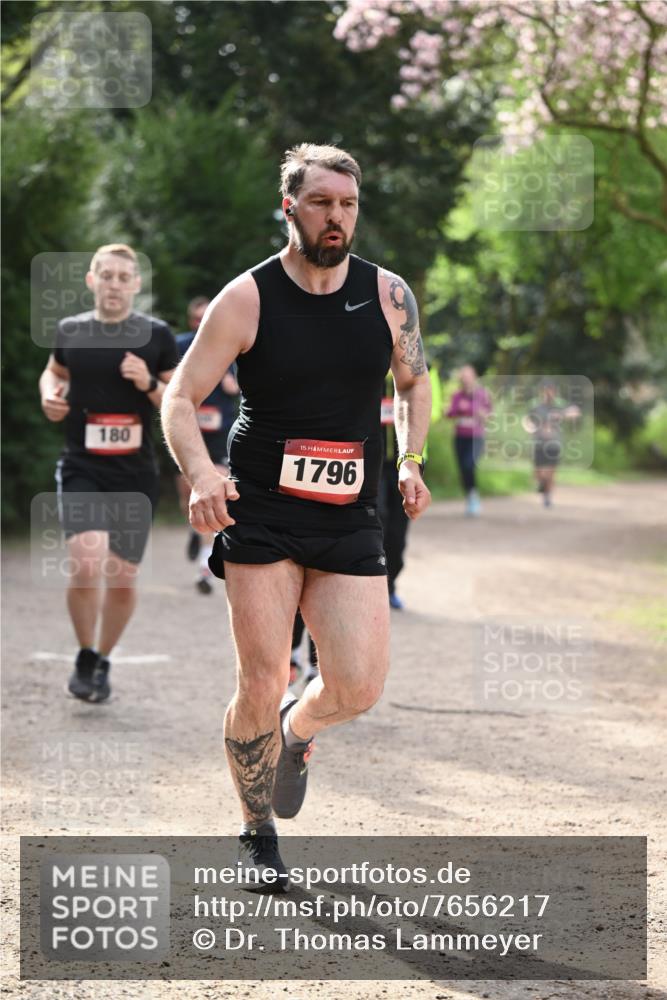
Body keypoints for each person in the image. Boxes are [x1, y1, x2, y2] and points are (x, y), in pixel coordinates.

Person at [162, 143, 431, 890]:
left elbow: (414, 382)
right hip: (263, 508)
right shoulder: (247, 298)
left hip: (349, 509)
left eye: (347, 204)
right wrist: (202, 472)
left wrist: (410, 459)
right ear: (290, 207)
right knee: (262, 675)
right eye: (321, 203)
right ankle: (256, 831)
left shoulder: (389, 295)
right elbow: (180, 396)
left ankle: (296, 730)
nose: (336, 217)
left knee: (357, 685)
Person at [39, 243, 179, 702]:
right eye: (107, 275)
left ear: (135, 284)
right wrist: (50, 395)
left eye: (123, 277)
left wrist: (148, 382)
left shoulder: (156, 336)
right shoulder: (71, 330)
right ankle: (84, 654)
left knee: (121, 578)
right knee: (86, 561)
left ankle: (102, 657)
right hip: (82, 466)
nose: (114, 284)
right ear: (92, 280)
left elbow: (178, 400)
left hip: (134, 475)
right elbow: (53, 372)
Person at [175, 296, 240, 594]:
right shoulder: (180, 345)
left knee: (212, 493)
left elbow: (242, 388)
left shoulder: (232, 344)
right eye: (197, 319)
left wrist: (230, 382)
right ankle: (195, 530)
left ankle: (205, 567)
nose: (202, 324)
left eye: (206, 318)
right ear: (191, 322)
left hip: (219, 433)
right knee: (187, 494)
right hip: (187, 433)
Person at [377, 375, 410, 610]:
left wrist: (398, 409)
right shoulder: (370, 360)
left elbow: (432, 409)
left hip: (405, 463)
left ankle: (390, 585)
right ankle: (374, 587)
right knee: (378, 519)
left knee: (398, 532)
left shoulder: (422, 366)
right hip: (373, 462)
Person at [523, 379, 581, 507]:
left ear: (555, 392)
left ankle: (547, 497)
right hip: (539, 442)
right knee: (538, 471)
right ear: (541, 392)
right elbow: (527, 420)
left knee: (550, 472)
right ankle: (541, 483)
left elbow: (575, 412)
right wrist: (532, 428)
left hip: (554, 443)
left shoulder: (560, 404)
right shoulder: (534, 405)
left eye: (551, 390)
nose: (549, 393)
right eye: (546, 391)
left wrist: (561, 414)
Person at [445, 364, 492, 517]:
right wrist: (455, 411)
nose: (465, 380)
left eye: (468, 377)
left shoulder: (482, 395)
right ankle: (471, 496)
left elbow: (489, 415)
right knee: (463, 469)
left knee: (468, 464)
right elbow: (450, 413)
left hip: (476, 437)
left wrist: (479, 413)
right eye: (463, 377)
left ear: (474, 378)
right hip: (460, 437)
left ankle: (473, 497)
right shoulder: (457, 396)